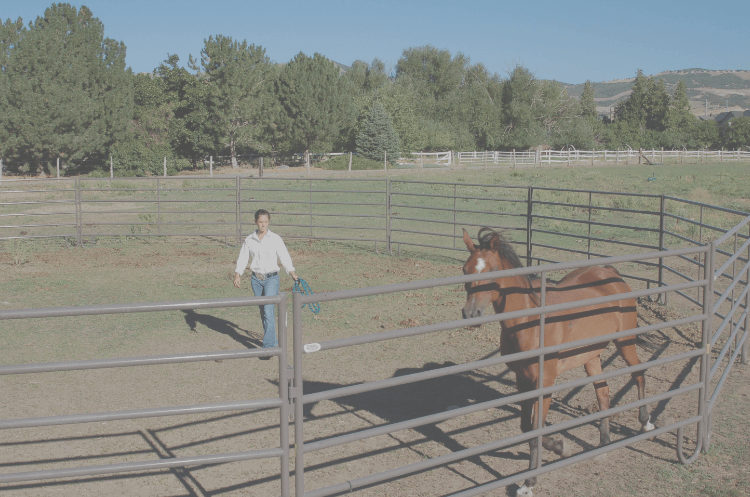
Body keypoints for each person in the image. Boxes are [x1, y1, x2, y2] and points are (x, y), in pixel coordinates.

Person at [233, 209, 298, 350]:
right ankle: (273, 342)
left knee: (268, 311)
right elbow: (243, 257)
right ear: (255, 222)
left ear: (269, 222)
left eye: (266, 222)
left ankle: (268, 347)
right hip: (256, 279)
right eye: (261, 222)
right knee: (263, 312)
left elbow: (284, 256)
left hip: (271, 278)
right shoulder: (250, 239)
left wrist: (292, 272)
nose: (263, 225)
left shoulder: (275, 238)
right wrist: (238, 274)